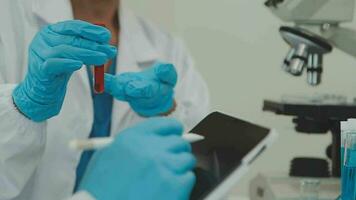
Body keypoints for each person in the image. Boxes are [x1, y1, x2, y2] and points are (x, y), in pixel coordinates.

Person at [0, 0, 210, 199]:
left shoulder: (169, 50)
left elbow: (203, 168)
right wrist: (22, 106)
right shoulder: (8, 20)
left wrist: (166, 113)